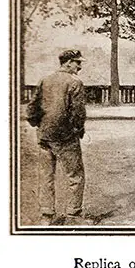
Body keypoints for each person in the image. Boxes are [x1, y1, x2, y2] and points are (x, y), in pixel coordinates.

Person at [26, 49, 87, 226]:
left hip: (45, 136)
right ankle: (73, 214)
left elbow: (31, 109)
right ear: (68, 63)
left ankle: (47, 215)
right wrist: (78, 129)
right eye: (77, 63)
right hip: (65, 136)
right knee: (75, 175)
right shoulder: (75, 82)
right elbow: (78, 112)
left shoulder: (45, 80)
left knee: (46, 175)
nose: (80, 67)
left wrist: (40, 125)